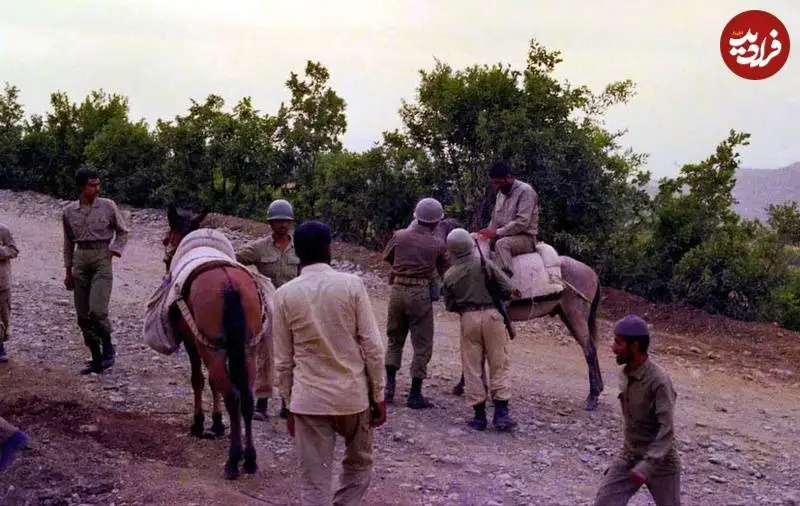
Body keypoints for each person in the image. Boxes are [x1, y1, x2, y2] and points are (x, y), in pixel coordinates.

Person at [273, 220, 386, 506]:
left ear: (297, 251)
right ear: (330, 248)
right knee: (360, 464)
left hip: (308, 400)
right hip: (352, 397)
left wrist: (289, 404)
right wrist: (378, 395)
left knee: (314, 479)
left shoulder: (284, 294)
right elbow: (372, 347)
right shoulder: (352, 285)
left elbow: (283, 361)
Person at [593, 314, 680, 506]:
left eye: (618, 343)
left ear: (634, 347)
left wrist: (647, 466)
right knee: (604, 502)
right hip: (630, 456)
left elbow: (667, 431)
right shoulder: (626, 373)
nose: (613, 348)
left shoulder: (659, 381)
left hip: (661, 462)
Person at [441, 228, 517, 431]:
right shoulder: (485, 264)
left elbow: (449, 305)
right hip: (492, 316)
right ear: (469, 245)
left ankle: (479, 417)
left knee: (472, 366)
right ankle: (501, 413)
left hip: (468, 319)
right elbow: (507, 288)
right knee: (499, 362)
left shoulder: (449, 275)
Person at [382, 197, 449, 409]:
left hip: (398, 290)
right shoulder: (437, 244)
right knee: (422, 344)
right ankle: (414, 393)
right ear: (436, 222)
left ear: (416, 216)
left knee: (394, 339)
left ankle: (389, 388)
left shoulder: (399, 236)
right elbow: (443, 268)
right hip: (420, 293)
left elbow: (387, 257)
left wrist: (402, 268)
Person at [235, 199, 299, 420]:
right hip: (267, 309)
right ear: (270, 223)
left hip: (294, 307)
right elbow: (235, 259)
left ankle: (287, 403)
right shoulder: (259, 248)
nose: (282, 225)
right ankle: (261, 403)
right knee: (265, 354)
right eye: (277, 221)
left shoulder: (299, 247)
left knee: (294, 354)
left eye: (286, 221)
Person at [62, 167, 130, 375]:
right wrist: (68, 270)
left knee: (97, 311)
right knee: (83, 316)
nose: (97, 188)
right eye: (92, 185)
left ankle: (108, 346)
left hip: (102, 257)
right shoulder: (68, 211)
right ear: (82, 187)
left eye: (98, 184)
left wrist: (112, 252)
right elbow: (67, 243)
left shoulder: (108, 206)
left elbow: (123, 232)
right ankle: (96, 356)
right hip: (80, 259)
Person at [478, 161, 539, 278]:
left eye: (499, 182)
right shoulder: (501, 193)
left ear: (509, 177)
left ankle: (503, 282)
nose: (496, 186)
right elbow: (495, 219)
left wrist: (496, 233)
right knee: (477, 241)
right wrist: (486, 233)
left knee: (502, 244)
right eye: (494, 183)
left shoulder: (526, 192)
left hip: (525, 238)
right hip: (504, 234)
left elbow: (522, 223)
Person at [0, 223, 19, 362]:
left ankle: (0, 346)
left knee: (3, 315)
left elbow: (14, 251)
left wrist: (1, 251)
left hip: (1, 283)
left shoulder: (3, 230)